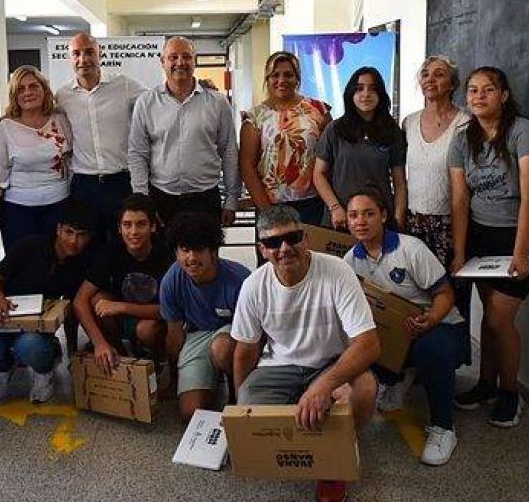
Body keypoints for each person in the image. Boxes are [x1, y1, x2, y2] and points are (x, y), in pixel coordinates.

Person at [231, 204, 380, 502]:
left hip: (331, 362)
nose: (284, 248)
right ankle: (307, 421)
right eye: (273, 243)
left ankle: (340, 453)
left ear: (306, 238)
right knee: (249, 407)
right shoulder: (253, 286)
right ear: (263, 250)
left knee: (363, 390)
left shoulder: (337, 271)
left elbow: (369, 343)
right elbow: (245, 351)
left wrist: (323, 385)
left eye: (292, 238)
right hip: (278, 366)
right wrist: (242, 410)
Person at [449, 66, 529, 428]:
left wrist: (522, 253)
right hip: (482, 233)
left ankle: (510, 392)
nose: (479, 96)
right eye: (473, 90)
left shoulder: (526, 133)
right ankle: (486, 384)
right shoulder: (463, 138)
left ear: (504, 95)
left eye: (488, 90)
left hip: (525, 234)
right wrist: (460, 251)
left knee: (499, 319)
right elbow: (460, 200)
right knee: (488, 315)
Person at [342, 187, 467, 466]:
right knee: (356, 344)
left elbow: (446, 293)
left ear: (384, 215)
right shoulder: (350, 261)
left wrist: (431, 320)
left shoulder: (410, 248)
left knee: (432, 350)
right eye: (353, 215)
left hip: (438, 323)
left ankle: (443, 427)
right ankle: (395, 379)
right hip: (394, 329)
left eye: (368, 214)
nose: (360, 221)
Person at [0, 200, 97, 402]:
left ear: (89, 238)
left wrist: (73, 352)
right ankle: (3, 366)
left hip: (35, 329)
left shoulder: (81, 265)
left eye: (81, 236)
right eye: (68, 232)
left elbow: (73, 311)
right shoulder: (29, 246)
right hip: (3, 318)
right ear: (58, 229)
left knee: (29, 347)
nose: (73, 241)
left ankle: (45, 371)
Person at [128, 36, 241, 227]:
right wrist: (144, 202)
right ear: (162, 62)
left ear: (194, 61)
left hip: (205, 199)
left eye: (186, 57)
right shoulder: (146, 103)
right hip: (161, 199)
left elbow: (229, 151)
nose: (180, 63)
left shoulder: (218, 103)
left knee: (206, 256)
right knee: (165, 256)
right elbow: (138, 154)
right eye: (173, 57)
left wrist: (231, 199)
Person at [55, 33, 145, 240]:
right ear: (70, 58)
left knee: (123, 243)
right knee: (86, 245)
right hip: (83, 185)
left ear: (100, 54)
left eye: (89, 52)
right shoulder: (62, 95)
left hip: (121, 182)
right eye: (76, 54)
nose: (83, 59)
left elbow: (155, 103)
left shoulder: (124, 85)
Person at [159, 212, 248, 421]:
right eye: (184, 250)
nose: (191, 258)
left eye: (198, 250)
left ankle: (235, 393)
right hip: (196, 334)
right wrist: (174, 379)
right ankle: (210, 378)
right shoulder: (171, 281)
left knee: (222, 349)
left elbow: (251, 338)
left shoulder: (240, 280)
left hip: (233, 334)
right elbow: (174, 337)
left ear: (213, 252)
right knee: (191, 412)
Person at [73, 194, 175, 374]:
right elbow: (79, 301)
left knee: (146, 330)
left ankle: (158, 359)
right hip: (122, 320)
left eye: (141, 224)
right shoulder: (111, 250)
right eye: (127, 225)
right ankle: (119, 354)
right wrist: (99, 344)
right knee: (96, 300)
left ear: (153, 226)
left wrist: (122, 307)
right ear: (119, 228)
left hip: (154, 320)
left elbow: (170, 310)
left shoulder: (166, 254)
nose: (133, 232)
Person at [0, 65, 71, 253]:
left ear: (44, 89)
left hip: (60, 207)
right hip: (18, 212)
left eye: (33, 86)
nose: (28, 92)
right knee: (22, 267)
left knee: (58, 265)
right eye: (21, 89)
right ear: (14, 95)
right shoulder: (3, 129)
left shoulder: (60, 120)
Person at [239, 51, 331, 226]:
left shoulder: (319, 110)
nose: (281, 80)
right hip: (270, 204)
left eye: (288, 74)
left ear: (297, 78)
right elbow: (246, 166)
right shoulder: (255, 116)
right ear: (267, 80)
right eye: (275, 75)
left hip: (313, 203)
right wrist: (267, 211)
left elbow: (330, 157)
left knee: (311, 252)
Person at [313, 66, 407, 231]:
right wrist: (334, 208)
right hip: (341, 217)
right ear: (351, 94)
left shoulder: (392, 131)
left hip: (379, 219)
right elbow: (319, 174)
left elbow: (399, 183)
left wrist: (398, 220)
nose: (366, 94)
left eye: (372, 89)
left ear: (381, 94)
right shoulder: (335, 129)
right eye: (359, 89)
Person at [402, 56, 470, 265]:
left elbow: (464, 189)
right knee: (415, 293)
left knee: (451, 290)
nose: (430, 79)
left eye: (439, 74)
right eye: (425, 74)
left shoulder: (465, 123)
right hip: (414, 223)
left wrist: (459, 251)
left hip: (450, 224)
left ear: (453, 84)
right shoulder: (409, 122)